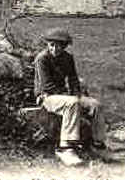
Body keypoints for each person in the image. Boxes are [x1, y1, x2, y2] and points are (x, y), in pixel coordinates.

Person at [33, 27, 107, 166]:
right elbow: (46, 86)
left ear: (65, 46)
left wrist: (78, 94)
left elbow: (73, 80)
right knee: (72, 103)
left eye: (59, 46)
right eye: (52, 45)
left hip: (64, 96)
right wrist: (70, 97)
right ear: (47, 45)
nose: (55, 49)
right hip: (47, 97)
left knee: (96, 105)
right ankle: (65, 147)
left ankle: (97, 142)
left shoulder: (67, 58)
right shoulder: (42, 59)